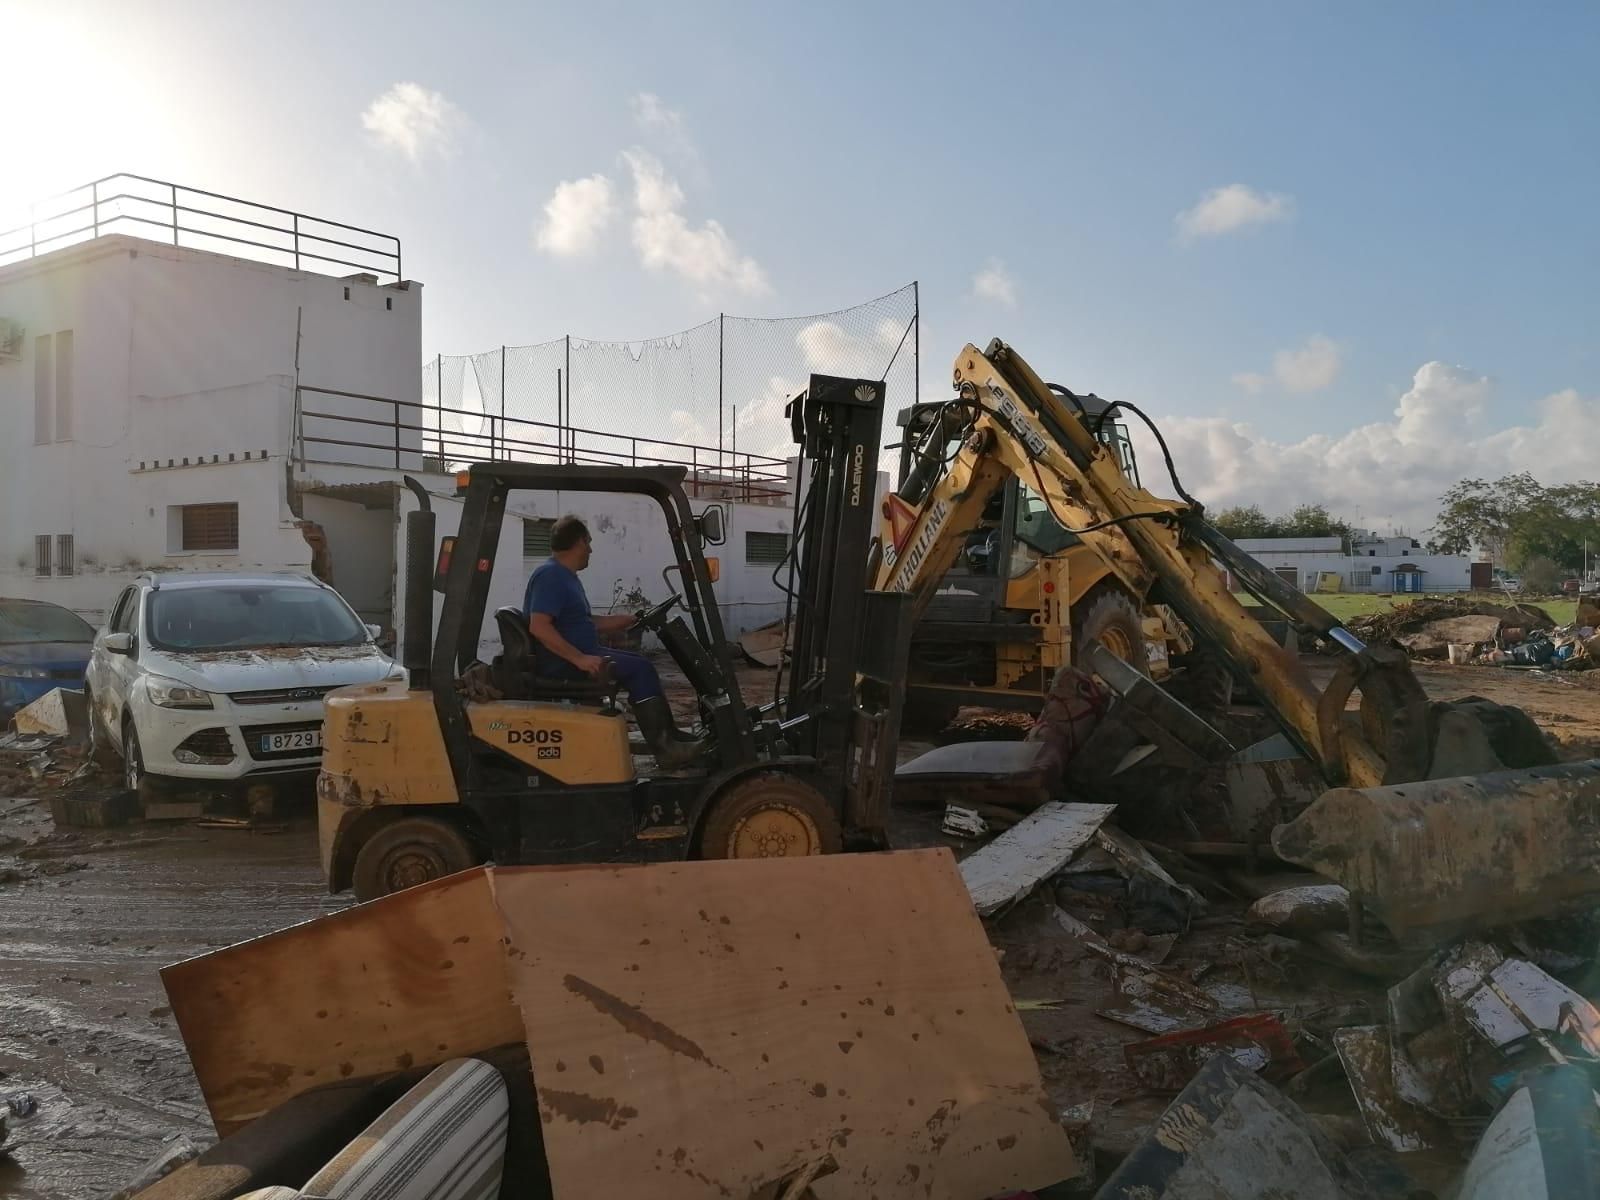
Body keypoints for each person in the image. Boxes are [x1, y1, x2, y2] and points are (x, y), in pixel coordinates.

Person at [524, 515, 701, 768]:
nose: (591, 550)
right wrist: (580, 659)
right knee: (641, 669)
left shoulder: (565, 576)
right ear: (578, 542)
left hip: (580, 654)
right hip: (562, 663)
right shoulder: (550, 576)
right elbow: (539, 626)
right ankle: (666, 749)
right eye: (589, 543)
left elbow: (587, 622)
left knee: (640, 664)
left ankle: (671, 738)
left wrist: (626, 619)